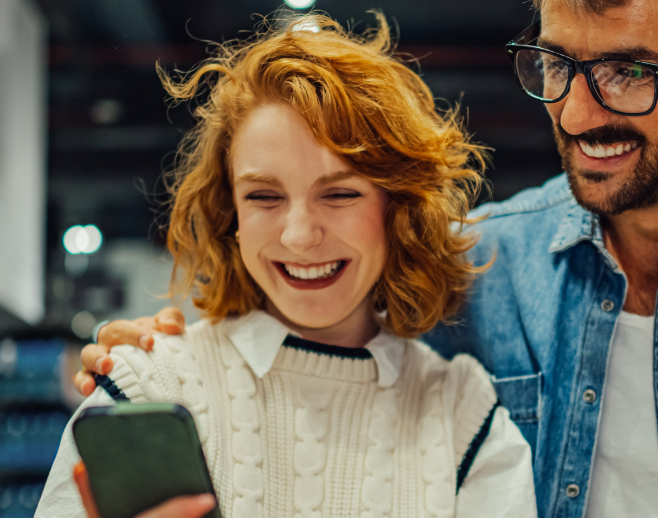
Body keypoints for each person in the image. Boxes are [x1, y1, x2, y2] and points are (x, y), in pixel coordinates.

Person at [78, 0, 658, 516]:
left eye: (628, 73)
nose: (576, 112)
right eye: (557, 63)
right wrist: (169, 360)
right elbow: (308, 329)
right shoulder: (483, 261)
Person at [36, 14, 537, 518]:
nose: (299, 236)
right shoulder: (146, 386)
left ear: (398, 208)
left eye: (340, 193)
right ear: (229, 211)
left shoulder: (462, 414)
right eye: (264, 196)